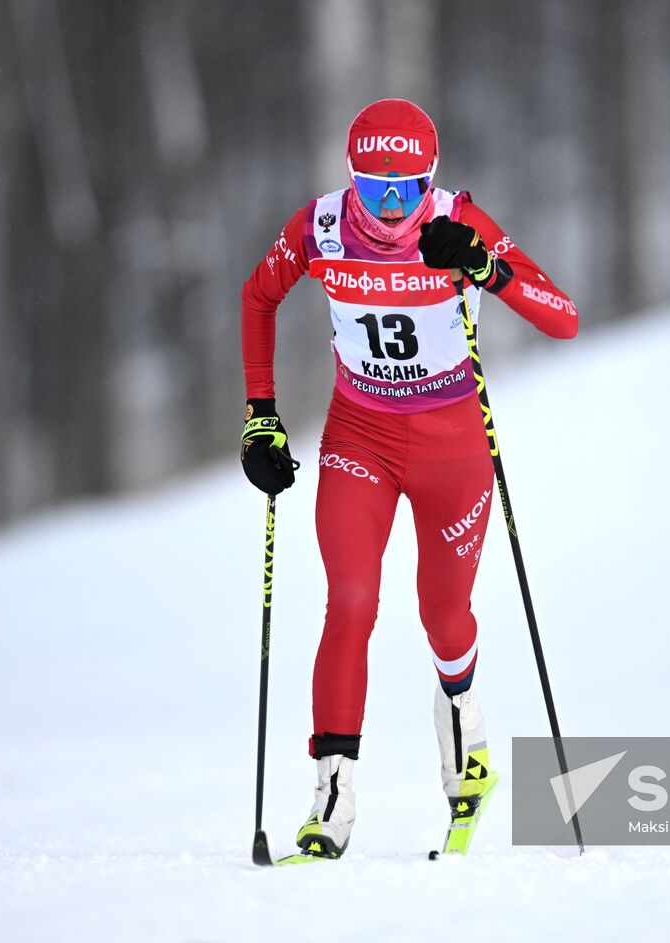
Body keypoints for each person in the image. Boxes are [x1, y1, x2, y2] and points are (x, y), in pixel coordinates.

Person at [238, 99, 579, 858]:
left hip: (452, 445)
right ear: (350, 177)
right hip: (360, 434)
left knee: (444, 616)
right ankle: (331, 801)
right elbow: (257, 296)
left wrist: (488, 269)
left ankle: (470, 754)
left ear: (431, 176)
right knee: (351, 600)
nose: (392, 206)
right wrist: (261, 411)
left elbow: (563, 316)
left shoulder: (458, 220)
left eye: (409, 187)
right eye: (374, 187)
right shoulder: (318, 228)